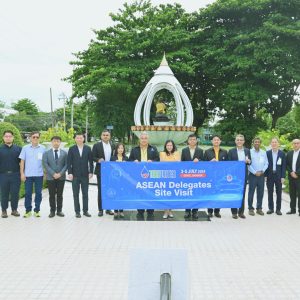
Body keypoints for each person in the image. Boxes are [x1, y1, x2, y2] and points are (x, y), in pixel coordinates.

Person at [129, 131, 159, 219]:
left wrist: (152, 161)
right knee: (140, 192)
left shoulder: (153, 148)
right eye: (142, 138)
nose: (144, 140)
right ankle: (140, 211)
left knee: (150, 192)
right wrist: (133, 161)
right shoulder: (134, 149)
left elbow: (158, 159)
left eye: (145, 138)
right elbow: (130, 160)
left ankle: (150, 211)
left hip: (151, 175)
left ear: (148, 139)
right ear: (139, 139)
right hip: (138, 175)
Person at [19, 131, 46, 218]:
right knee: (28, 193)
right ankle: (28, 211)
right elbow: (22, 162)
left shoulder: (43, 148)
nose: (35, 138)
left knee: (38, 193)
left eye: (37, 137)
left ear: (39, 138)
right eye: (33, 137)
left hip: (39, 175)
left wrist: (45, 173)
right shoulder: (25, 148)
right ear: (30, 138)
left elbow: (45, 162)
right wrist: (22, 173)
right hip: (28, 175)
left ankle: (37, 210)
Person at [67, 133, 93, 218]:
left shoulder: (88, 148)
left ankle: (85, 211)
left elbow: (91, 162)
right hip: (75, 175)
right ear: (75, 139)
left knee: (85, 194)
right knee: (76, 194)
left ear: (83, 139)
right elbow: (69, 162)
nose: (79, 139)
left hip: (85, 175)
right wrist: (70, 173)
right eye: (77, 138)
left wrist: (91, 172)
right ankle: (77, 212)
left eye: (80, 138)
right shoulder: (71, 149)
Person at [42, 136, 68, 218]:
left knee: (60, 195)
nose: (56, 143)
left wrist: (60, 173)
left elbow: (66, 164)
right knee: (51, 195)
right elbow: (45, 164)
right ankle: (52, 211)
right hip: (50, 177)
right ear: (51, 142)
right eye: (54, 141)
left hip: (61, 177)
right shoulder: (46, 153)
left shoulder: (64, 153)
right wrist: (53, 173)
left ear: (60, 142)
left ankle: (59, 210)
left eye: (58, 141)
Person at [228, 134, 251, 219]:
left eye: (241, 140)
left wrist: (248, 161)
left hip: (244, 175)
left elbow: (250, 162)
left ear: (243, 141)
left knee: (242, 193)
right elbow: (229, 164)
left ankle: (241, 212)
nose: (239, 141)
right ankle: (234, 212)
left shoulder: (247, 151)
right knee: (233, 193)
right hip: (234, 176)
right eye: (238, 140)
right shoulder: (231, 151)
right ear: (235, 141)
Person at [92, 130, 115, 217]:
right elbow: (92, 156)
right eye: (104, 135)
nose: (105, 136)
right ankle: (101, 209)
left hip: (111, 171)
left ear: (110, 136)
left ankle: (108, 208)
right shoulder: (96, 145)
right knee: (101, 190)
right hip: (101, 170)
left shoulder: (113, 145)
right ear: (101, 136)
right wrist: (98, 160)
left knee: (110, 189)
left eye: (107, 135)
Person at [181, 134, 204, 219]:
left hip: (197, 176)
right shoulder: (184, 150)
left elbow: (204, 162)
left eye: (194, 139)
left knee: (196, 193)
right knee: (187, 193)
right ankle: (187, 211)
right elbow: (182, 162)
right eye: (190, 139)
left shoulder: (200, 150)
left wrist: (199, 160)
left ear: (196, 140)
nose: (192, 141)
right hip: (186, 176)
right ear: (188, 141)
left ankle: (195, 211)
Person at [204, 135, 228, 218]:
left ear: (220, 141)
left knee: (219, 192)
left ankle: (217, 211)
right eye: (215, 140)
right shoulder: (207, 152)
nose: (216, 141)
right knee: (210, 193)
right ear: (212, 141)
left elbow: (227, 165)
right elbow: (203, 164)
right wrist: (210, 162)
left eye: (218, 140)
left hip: (220, 176)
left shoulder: (225, 152)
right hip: (210, 175)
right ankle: (210, 211)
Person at [0, 130, 22, 218]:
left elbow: (22, 163)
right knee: (4, 193)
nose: (8, 138)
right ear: (3, 138)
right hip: (3, 175)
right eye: (6, 136)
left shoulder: (19, 149)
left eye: (10, 136)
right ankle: (4, 211)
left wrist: (22, 173)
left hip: (15, 175)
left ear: (13, 137)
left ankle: (14, 210)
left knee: (15, 193)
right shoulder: (0, 149)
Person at [265, 138, 286, 215]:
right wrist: (265, 175)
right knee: (270, 192)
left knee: (279, 193)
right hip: (269, 176)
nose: (274, 144)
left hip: (279, 176)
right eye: (272, 142)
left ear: (278, 144)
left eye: (275, 142)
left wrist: (283, 176)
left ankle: (278, 209)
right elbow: (265, 165)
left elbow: (283, 166)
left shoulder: (282, 154)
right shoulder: (267, 153)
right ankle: (271, 208)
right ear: (271, 144)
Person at [160, 139, 180, 219]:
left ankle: (170, 210)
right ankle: (165, 211)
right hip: (165, 176)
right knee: (165, 194)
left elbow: (178, 162)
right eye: (168, 145)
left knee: (172, 194)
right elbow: (162, 163)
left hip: (174, 176)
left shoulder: (177, 153)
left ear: (173, 146)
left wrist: (172, 155)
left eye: (171, 145)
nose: (169, 147)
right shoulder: (162, 153)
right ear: (165, 146)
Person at [248, 137, 268, 216]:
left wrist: (262, 171)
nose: (257, 143)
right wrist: (254, 172)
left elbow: (266, 163)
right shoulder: (249, 152)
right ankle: (250, 208)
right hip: (253, 175)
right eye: (255, 142)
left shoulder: (263, 152)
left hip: (261, 175)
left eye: (258, 142)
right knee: (251, 192)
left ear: (260, 143)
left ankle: (259, 208)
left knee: (260, 192)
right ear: (253, 143)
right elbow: (248, 164)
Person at [111, 143, 129, 218]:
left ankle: (121, 210)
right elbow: (110, 167)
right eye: (119, 148)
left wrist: (125, 165)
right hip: (115, 180)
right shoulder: (113, 158)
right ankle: (115, 210)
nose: (121, 149)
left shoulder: (126, 158)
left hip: (123, 180)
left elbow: (128, 170)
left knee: (122, 195)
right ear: (116, 149)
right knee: (115, 194)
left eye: (122, 148)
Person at [286, 139, 300, 215]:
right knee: (292, 194)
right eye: (294, 143)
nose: (296, 145)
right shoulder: (289, 153)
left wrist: (297, 173)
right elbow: (287, 164)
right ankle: (292, 209)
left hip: (299, 177)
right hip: (291, 177)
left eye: (297, 143)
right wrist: (291, 172)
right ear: (292, 144)